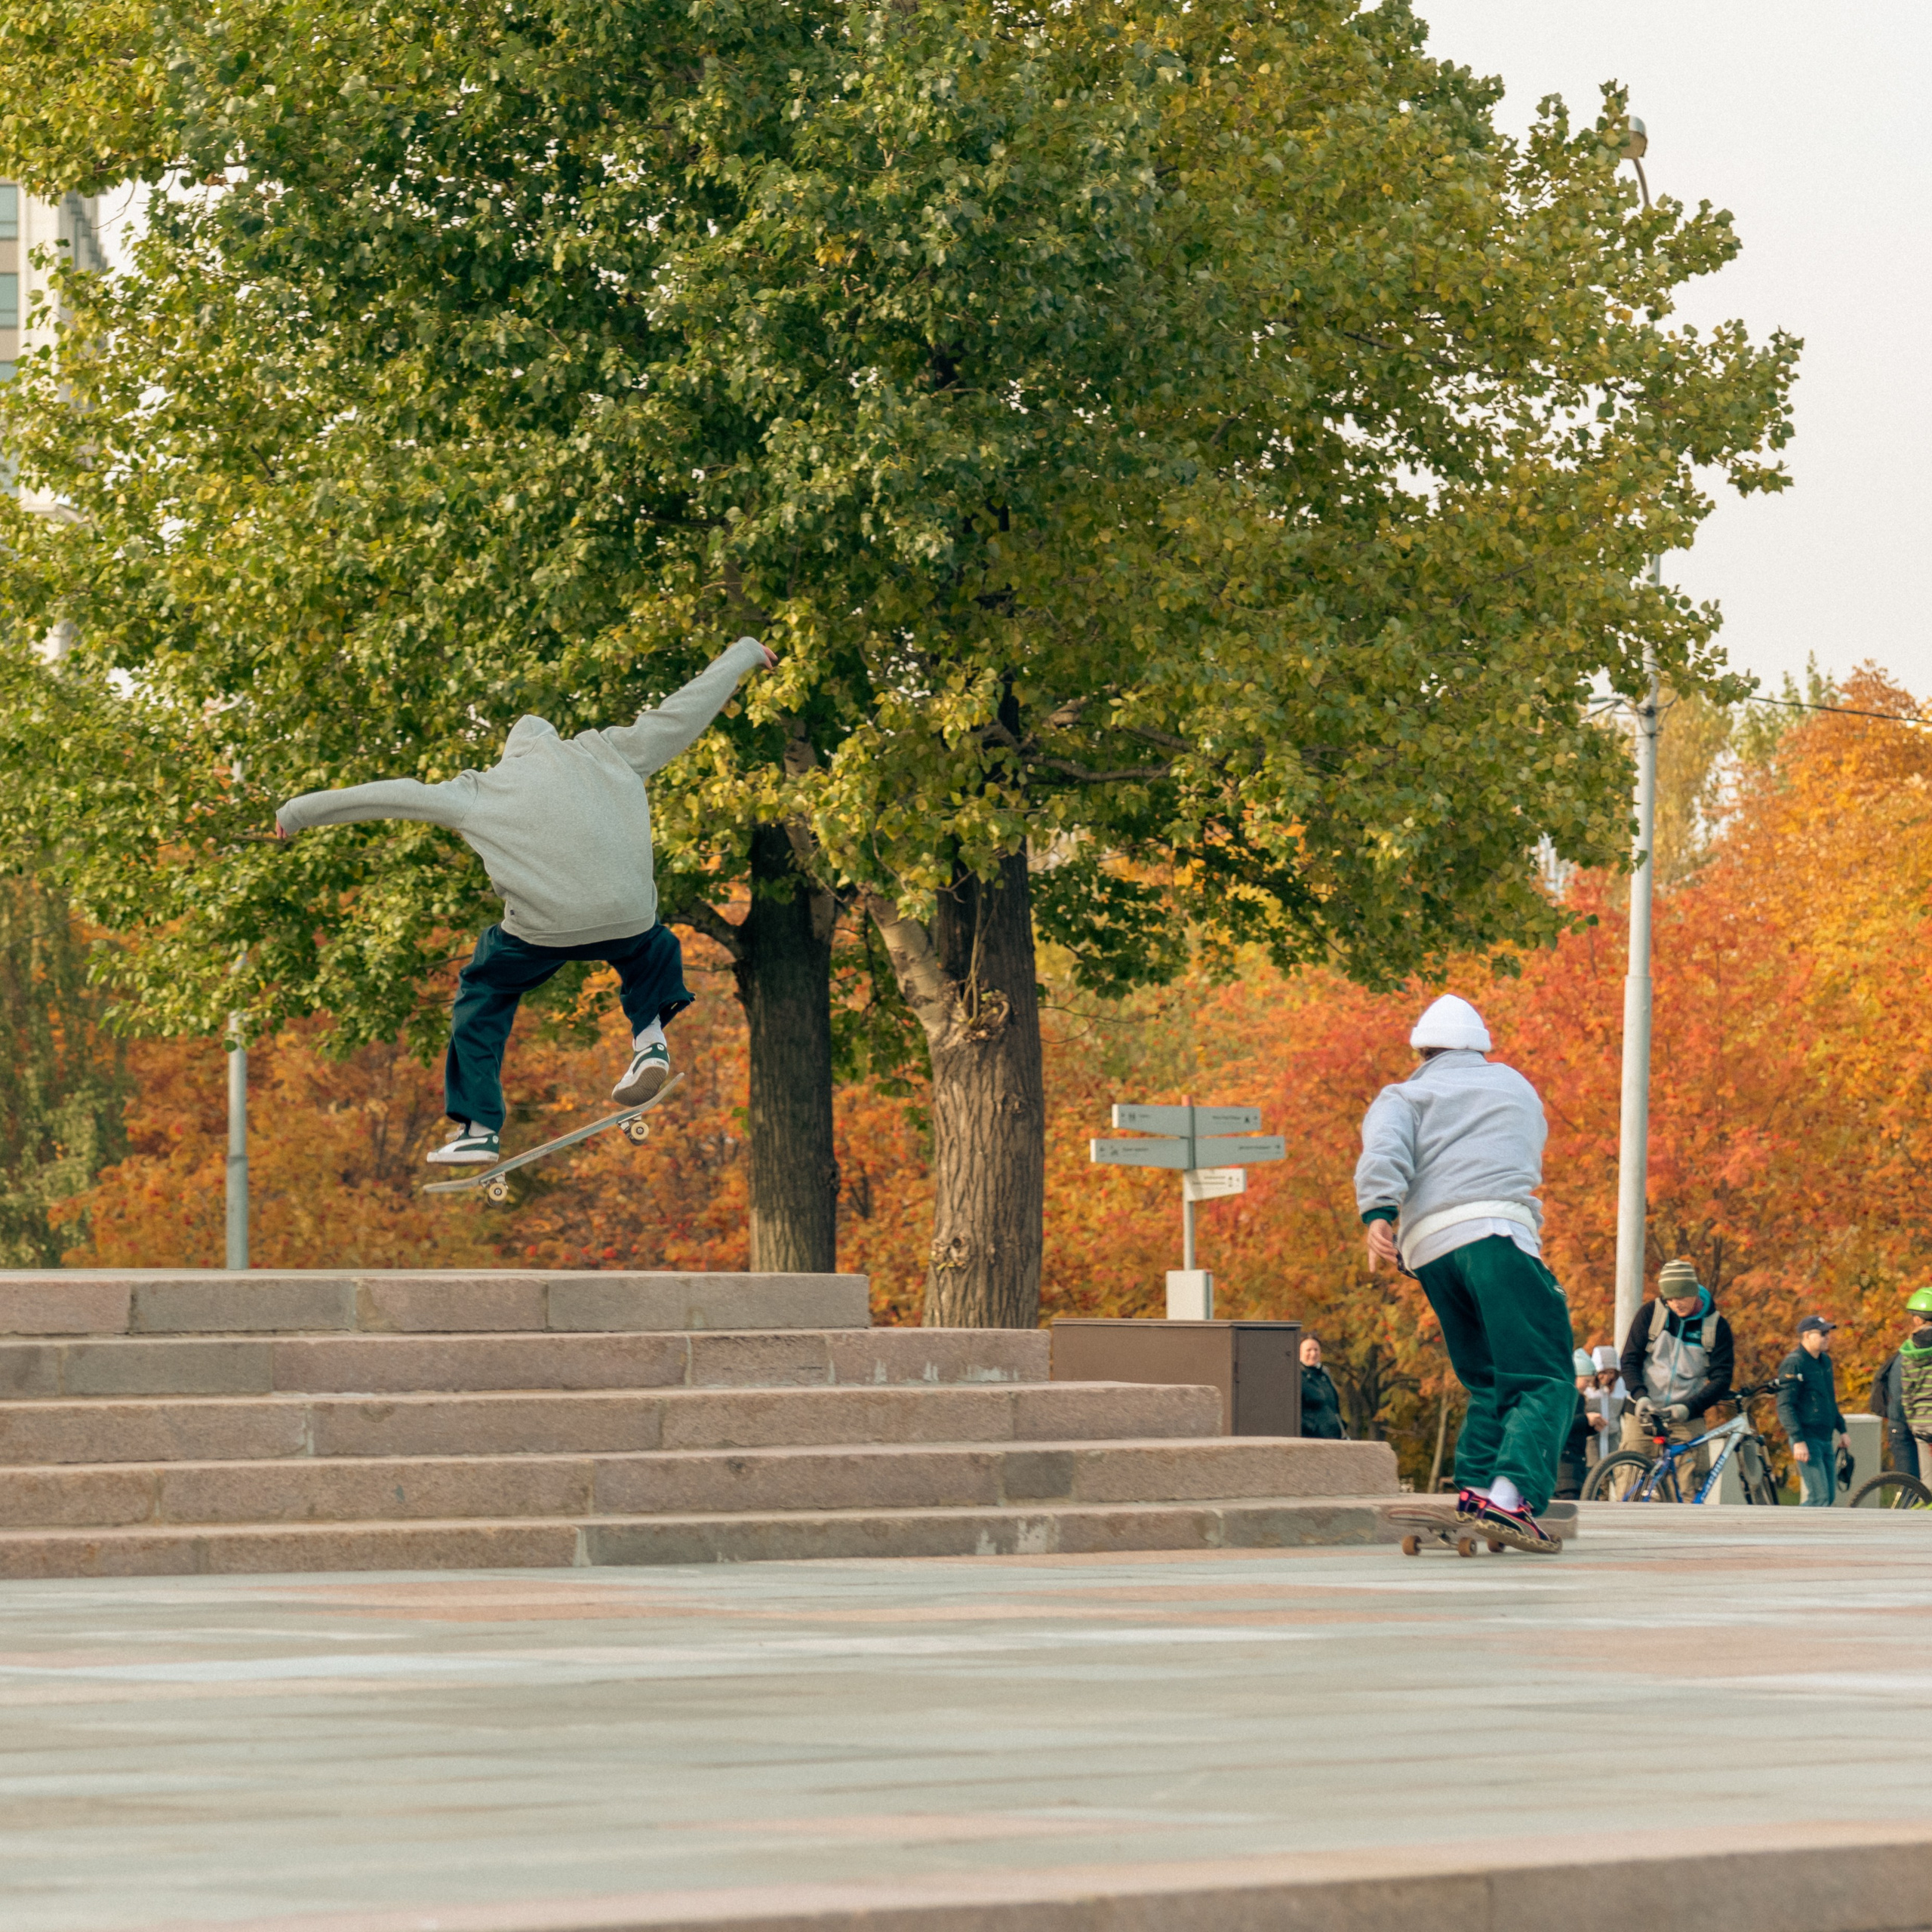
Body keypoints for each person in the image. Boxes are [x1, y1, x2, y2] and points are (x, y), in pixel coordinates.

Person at [275, 636, 774, 1163]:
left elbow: (394, 793)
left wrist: (297, 812)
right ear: (559, 742)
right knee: (653, 946)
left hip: (541, 930)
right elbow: (683, 710)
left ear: (512, 753)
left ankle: (479, 1129)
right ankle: (649, 1041)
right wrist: (744, 653)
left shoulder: (482, 788)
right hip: (627, 916)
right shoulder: (613, 752)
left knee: (483, 989)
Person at [1355, 993, 1574, 1554]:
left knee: (1488, 1377)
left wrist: (1379, 1211)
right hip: (1496, 1233)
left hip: (1429, 1249)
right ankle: (1511, 1496)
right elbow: (1529, 1150)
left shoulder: (1404, 1093)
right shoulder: (1514, 1085)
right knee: (1543, 1375)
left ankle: (1475, 1489)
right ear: (1480, 1046)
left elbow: (1384, 1147)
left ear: (1422, 1050)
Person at [1617, 1257, 1734, 1485]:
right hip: (1642, 1412)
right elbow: (1629, 1360)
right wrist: (1640, 1396)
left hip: (1686, 1417)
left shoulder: (1716, 1326)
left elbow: (1722, 1379)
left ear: (1694, 1293)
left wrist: (1689, 1407)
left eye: (1681, 1297)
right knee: (1628, 1483)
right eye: (1669, 1298)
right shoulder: (1651, 1314)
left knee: (1689, 1486)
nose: (1676, 1303)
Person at [1776, 1315, 1850, 1506]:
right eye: (1823, 1333)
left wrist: (1841, 1429)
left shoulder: (1824, 1361)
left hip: (1825, 1438)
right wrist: (1798, 1440)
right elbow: (1785, 1404)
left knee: (1829, 1497)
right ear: (1807, 1335)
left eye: (1829, 1333)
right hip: (1807, 1438)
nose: (1828, 1337)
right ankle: (1791, 1531)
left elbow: (1829, 1399)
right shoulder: (1794, 1363)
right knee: (1819, 1498)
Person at [1867, 1287, 1932, 1475]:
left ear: (1917, 1320)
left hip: (1909, 1424)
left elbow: (1902, 1394)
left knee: (1912, 1487)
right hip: (1919, 1423)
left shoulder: (1907, 1354)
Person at [1894, 1312, 1932, 1486]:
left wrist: (1912, 1422)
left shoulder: (1909, 1352)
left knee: (1927, 1480)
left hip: (1920, 1423)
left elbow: (1907, 1395)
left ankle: (1926, 1505)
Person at [1557, 1349, 1597, 1501]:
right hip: (1566, 1467)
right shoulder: (1568, 1396)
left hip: (1574, 1465)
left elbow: (1574, 1429)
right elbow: (1564, 1424)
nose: (1588, 1385)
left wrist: (1591, 1427)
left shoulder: (1576, 1396)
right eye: (1586, 1381)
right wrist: (1587, 1420)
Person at [1299, 1336, 1347, 1439]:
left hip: (1335, 1436)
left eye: (1316, 1350)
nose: (1313, 1353)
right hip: (1313, 1439)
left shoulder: (1325, 1374)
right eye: (1309, 1350)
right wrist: (1311, 1428)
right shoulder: (1297, 1377)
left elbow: (1333, 1406)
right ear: (1300, 1353)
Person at [1586, 1343, 1626, 1465]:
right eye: (1602, 1372)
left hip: (1613, 1439)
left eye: (1611, 1372)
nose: (1607, 1377)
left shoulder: (1620, 1388)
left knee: (1614, 1470)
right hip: (1593, 1440)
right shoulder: (1589, 1390)